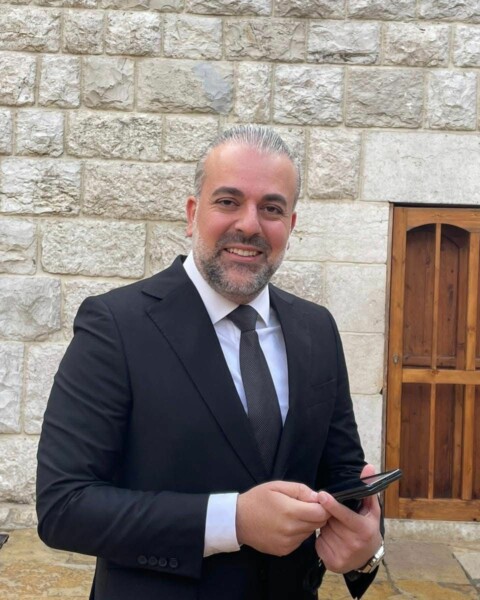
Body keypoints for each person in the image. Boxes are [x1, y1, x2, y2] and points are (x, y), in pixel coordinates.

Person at [36, 125, 383, 600]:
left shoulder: (316, 329)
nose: (250, 225)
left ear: (291, 225)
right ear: (192, 213)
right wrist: (233, 521)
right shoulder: (116, 326)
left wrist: (366, 547)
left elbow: (342, 476)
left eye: (271, 208)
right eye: (228, 201)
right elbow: (64, 506)